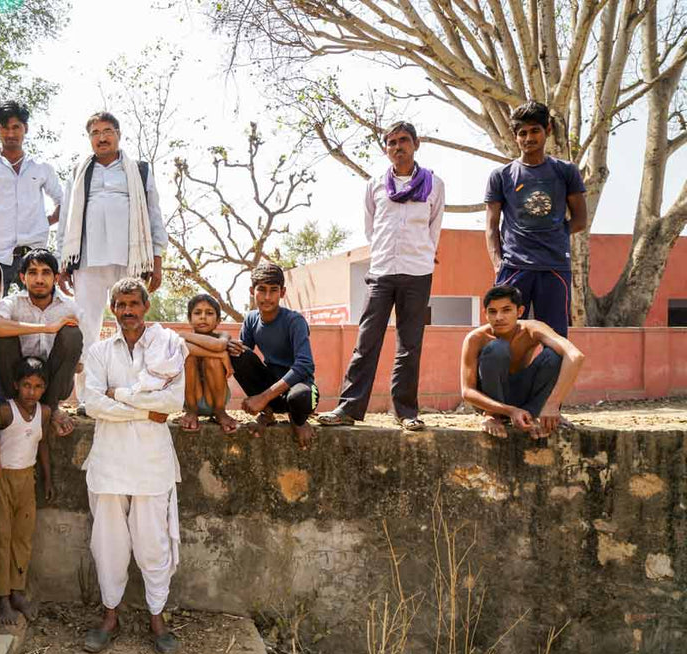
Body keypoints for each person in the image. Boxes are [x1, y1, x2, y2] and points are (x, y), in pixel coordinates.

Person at [81, 278, 185, 654]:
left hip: (151, 464)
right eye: (121, 304)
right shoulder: (98, 352)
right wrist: (146, 410)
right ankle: (110, 617)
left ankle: (158, 619)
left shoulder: (168, 347)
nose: (128, 311)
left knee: (153, 543)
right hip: (109, 462)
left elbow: (173, 399)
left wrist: (119, 396)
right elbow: (91, 402)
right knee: (108, 544)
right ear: (113, 308)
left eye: (134, 304)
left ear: (146, 306)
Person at [318, 121, 445, 431]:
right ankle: (348, 408)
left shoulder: (434, 184)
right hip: (382, 271)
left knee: (409, 344)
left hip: (417, 272)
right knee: (367, 340)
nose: (397, 147)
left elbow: (434, 226)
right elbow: (371, 228)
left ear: (416, 144)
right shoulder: (375, 184)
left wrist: (424, 255)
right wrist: (383, 255)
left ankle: (405, 412)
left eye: (403, 141)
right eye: (391, 142)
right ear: (386, 148)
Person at [55, 111, 167, 406]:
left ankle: (129, 392)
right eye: (95, 132)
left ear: (118, 134)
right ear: (89, 138)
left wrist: (156, 261)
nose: (101, 137)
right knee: (85, 327)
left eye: (107, 131)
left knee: (129, 325)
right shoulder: (80, 171)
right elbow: (66, 219)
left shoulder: (138, 170)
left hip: (129, 259)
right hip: (88, 260)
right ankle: (86, 396)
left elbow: (154, 215)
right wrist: (61, 263)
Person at [485, 101, 587, 338]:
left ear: (547, 130)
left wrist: (555, 232)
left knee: (554, 341)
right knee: (502, 339)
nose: (528, 138)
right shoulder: (501, 176)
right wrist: (498, 263)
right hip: (513, 267)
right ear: (515, 136)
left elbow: (580, 220)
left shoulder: (566, 171)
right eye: (522, 133)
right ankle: (506, 378)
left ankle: (547, 377)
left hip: (554, 267)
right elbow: (491, 227)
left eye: (534, 131)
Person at [460, 285, 585, 439]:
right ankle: (493, 416)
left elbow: (575, 356)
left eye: (506, 310)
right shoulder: (475, 338)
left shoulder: (532, 329)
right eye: (493, 311)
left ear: (519, 312)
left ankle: (530, 416)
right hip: (490, 401)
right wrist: (509, 411)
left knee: (554, 355)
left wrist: (552, 405)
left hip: (523, 394)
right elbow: (467, 391)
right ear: (485, 314)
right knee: (497, 348)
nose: (499, 317)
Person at [0, 248, 82, 436]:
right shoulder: (12, 302)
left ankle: (51, 409)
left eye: (45, 273)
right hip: (16, 382)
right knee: (3, 334)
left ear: (56, 277)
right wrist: (46, 328)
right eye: (32, 273)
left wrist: (64, 360)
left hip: (53, 385)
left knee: (71, 333)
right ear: (22, 277)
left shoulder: (71, 307)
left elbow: (79, 364)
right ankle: (16, 407)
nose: (39, 280)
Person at [0, 100, 64, 295]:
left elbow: (63, 203)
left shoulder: (41, 167)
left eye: (16, 127)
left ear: (25, 129)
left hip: (35, 256)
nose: (11, 134)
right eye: (5, 127)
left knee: (41, 312)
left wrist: (44, 222)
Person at [0, 357, 54, 625]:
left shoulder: (45, 413)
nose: (31, 392)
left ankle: (17, 591)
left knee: (23, 537)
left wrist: (48, 479)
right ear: (16, 385)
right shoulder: (5, 411)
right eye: (26, 385)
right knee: (1, 537)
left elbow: (43, 445)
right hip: (2, 478)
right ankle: (1, 598)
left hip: (27, 478)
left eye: (38, 386)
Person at [228, 262, 319, 449]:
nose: (267, 297)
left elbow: (305, 366)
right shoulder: (251, 319)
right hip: (272, 393)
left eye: (273, 290)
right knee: (237, 353)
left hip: (299, 389)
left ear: (282, 292)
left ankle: (298, 420)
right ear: (252, 291)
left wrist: (262, 397)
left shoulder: (295, 321)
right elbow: (243, 358)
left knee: (301, 396)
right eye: (261, 290)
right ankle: (268, 414)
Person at [177, 294, 237, 434]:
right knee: (188, 357)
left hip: (216, 399)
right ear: (189, 319)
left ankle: (220, 413)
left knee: (212, 360)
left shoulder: (223, 335)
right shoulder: (183, 340)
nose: (203, 317)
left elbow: (219, 345)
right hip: (191, 399)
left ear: (218, 320)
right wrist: (222, 355)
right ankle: (191, 412)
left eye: (209, 313)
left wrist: (182, 335)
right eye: (197, 313)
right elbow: (186, 348)